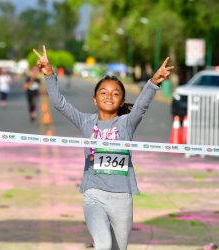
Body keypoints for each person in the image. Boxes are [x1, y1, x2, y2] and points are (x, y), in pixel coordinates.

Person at [33, 45, 174, 250]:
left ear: (122, 101)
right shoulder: (86, 122)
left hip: (122, 198)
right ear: (95, 99)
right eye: (103, 92)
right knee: (104, 244)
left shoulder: (127, 123)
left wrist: (153, 82)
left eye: (115, 93)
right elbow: (60, 104)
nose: (109, 96)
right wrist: (49, 73)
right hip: (94, 194)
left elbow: (142, 105)